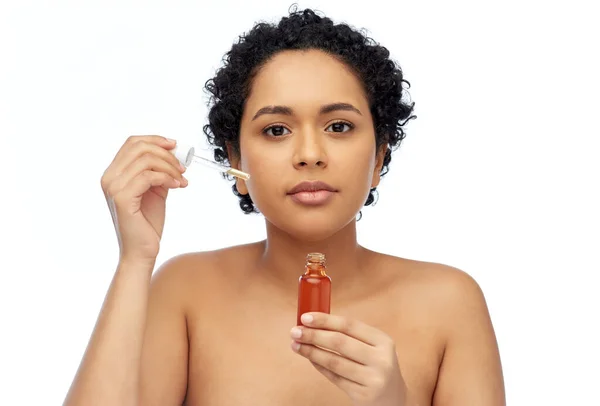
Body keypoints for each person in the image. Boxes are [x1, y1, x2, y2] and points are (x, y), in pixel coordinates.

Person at [64, 6, 505, 406]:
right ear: (235, 161)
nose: (309, 154)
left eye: (338, 125)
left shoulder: (449, 304)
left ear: (379, 159)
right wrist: (134, 261)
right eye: (276, 130)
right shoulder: (185, 291)